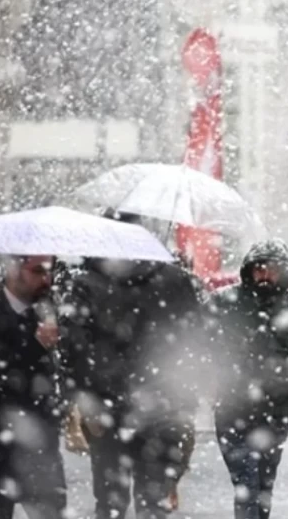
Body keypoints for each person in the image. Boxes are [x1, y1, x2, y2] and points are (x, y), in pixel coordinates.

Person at [63, 217, 206, 519]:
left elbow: (74, 348)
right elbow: (194, 342)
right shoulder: (174, 280)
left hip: (106, 408)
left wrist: (86, 398)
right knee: (153, 503)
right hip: (162, 405)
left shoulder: (87, 283)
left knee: (110, 503)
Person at [208, 240, 288, 519]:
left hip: (275, 412)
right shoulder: (223, 302)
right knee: (246, 483)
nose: (265, 275)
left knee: (265, 483)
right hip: (233, 409)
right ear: (250, 270)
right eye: (260, 269)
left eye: (271, 269)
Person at [0, 255, 67, 519]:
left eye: (50, 271)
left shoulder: (50, 310)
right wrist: (33, 345)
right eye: (38, 271)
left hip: (41, 448)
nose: (47, 279)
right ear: (13, 269)